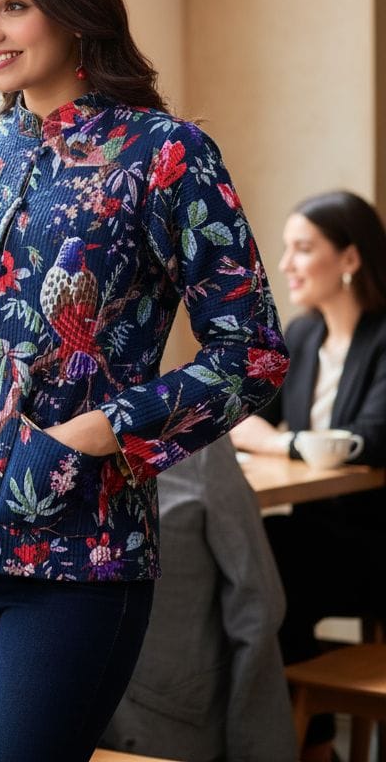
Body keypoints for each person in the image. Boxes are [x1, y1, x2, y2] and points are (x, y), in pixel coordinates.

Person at [0, 0, 289, 762]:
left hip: (76, 549)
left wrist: (104, 432)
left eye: (13, 6)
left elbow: (252, 355)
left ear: (74, 8)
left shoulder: (167, 155)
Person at [231, 189, 386, 762]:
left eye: (303, 248)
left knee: (269, 564)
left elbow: (372, 438)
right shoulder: (302, 335)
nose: (286, 263)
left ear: (350, 258)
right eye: (287, 248)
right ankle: (314, 744)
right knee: (255, 563)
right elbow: (248, 418)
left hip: (374, 541)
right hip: (320, 536)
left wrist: (277, 443)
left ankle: (311, 745)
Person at [100, 437, 297, 762]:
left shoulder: (20, 431)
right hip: (165, 714)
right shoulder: (192, 437)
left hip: (60, 715)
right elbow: (257, 606)